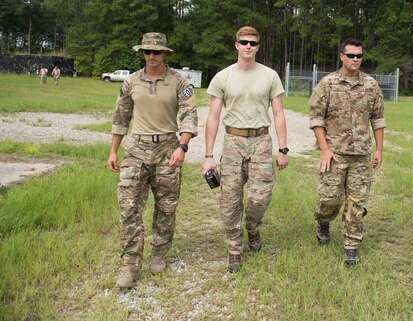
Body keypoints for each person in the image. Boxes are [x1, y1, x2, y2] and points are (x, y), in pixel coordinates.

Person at [108, 32, 198, 289]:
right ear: (142, 53)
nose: (151, 56)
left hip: (168, 149)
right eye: (147, 51)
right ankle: (129, 263)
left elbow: (190, 115)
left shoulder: (180, 82)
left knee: (166, 206)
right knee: (129, 207)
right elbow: (120, 118)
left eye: (156, 52)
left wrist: (183, 146)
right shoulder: (131, 82)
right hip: (136, 148)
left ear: (165, 54)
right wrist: (113, 151)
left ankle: (159, 252)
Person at [201, 26, 288, 274]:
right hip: (233, 141)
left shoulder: (270, 76)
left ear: (258, 47)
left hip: (261, 141)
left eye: (252, 43)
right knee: (229, 199)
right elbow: (213, 117)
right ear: (236, 45)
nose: (248, 46)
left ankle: (252, 227)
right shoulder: (223, 77)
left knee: (261, 197)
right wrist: (208, 156)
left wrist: (283, 148)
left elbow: (279, 113)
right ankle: (234, 250)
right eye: (243, 42)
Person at [308, 38, 386, 266]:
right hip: (334, 154)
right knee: (329, 199)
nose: (355, 60)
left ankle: (351, 246)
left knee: (357, 203)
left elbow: (378, 119)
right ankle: (323, 221)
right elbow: (315, 119)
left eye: (359, 56)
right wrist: (324, 149)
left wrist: (379, 150)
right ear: (341, 56)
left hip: (361, 156)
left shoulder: (371, 85)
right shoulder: (327, 84)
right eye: (350, 55)